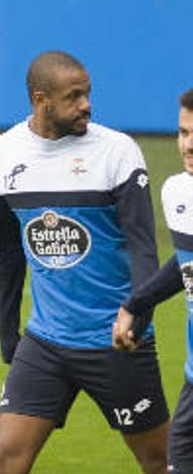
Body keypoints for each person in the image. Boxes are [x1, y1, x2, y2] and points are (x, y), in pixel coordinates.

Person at [0, 51, 169, 473]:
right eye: (74, 97)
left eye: (87, 94)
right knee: (4, 460)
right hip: (46, 342)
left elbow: (144, 248)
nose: (86, 104)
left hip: (116, 338)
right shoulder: (1, 155)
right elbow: (7, 252)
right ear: (40, 100)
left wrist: (137, 317)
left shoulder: (117, 153)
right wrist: (6, 330)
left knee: (159, 461)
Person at [113, 88, 193, 473]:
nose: (188, 146)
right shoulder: (178, 192)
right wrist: (135, 304)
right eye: (184, 133)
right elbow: (186, 264)